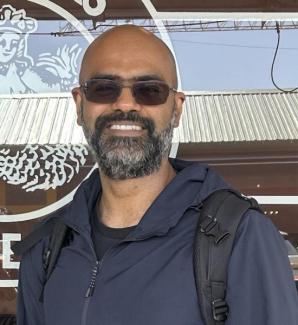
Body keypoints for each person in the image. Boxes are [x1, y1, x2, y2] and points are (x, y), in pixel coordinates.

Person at [17, 25, 298, 325]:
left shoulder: (238, 236)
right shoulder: (49, 248)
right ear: (79, 104)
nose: (125, 104)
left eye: (149, 90)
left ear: (176, 110)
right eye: (103, 88)